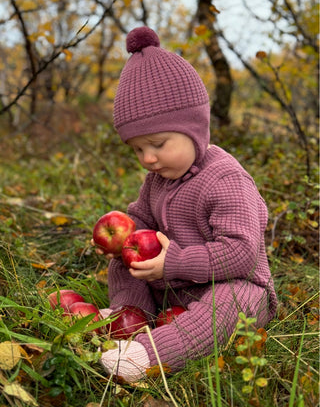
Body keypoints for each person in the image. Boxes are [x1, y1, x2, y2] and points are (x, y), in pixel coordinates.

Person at [94, 26, 277, 383]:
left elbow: (242, 253)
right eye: (137, 149)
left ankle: (148, 356)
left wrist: (173, 262)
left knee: (230, 303)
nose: (147, 158)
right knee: (122, 267)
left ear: (194, 128)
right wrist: (119, 243)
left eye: (158, 144)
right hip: (175, 286)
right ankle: (130, 318)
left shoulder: (226, 180)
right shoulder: (158, 178)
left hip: (232, 284)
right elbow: (141, 221)